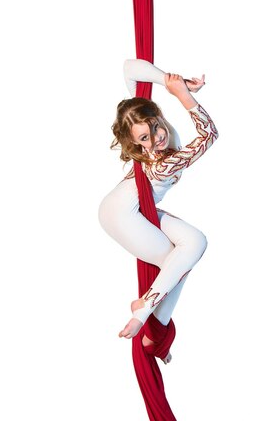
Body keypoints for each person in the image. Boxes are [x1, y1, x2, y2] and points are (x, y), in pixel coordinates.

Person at [98, 59, 218, 363]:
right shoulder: (163, 164)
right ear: (137, 146)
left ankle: (153, 322)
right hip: (121, 215)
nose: (155, 138)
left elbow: (129, 68)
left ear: (156, 115)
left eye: (154, 127)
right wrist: (183, 96)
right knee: (176, 262)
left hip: (135, 207)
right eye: (144, 139)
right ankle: (146, 317)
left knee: (195, 242)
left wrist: (169, 80)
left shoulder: (151, 127)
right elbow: (209, 136)